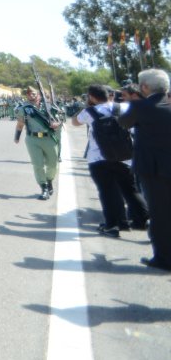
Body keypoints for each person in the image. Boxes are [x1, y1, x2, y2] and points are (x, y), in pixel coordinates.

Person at [72, 84, 148, 236]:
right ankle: (143, 220)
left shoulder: (89, 111)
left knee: (108, 191)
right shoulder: (124, 107)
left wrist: (87, 105)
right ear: (109, 94)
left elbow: (75, 122)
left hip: (98, 158)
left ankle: (113, 225)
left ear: (92, 97)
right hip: (124, 156)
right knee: (130, 190)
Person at [119, 69, 171, 271]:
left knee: (159, 215)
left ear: (145, 87)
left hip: (153, 169)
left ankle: (163, 259)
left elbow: (123, 122)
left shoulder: (140, 107)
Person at [14, 86, 62, 200]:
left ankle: (49, 180)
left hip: (49, 138)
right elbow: (20, 124)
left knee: (53, 164)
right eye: (29, 94)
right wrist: (17, 136)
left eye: (34, 94)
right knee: (37, 165)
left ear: (39, 95)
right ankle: (44, 187)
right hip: (33, 139)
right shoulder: (24, 108)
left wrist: (57, 124)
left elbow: (60, 119)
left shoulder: (49, 107)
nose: (31, 96)